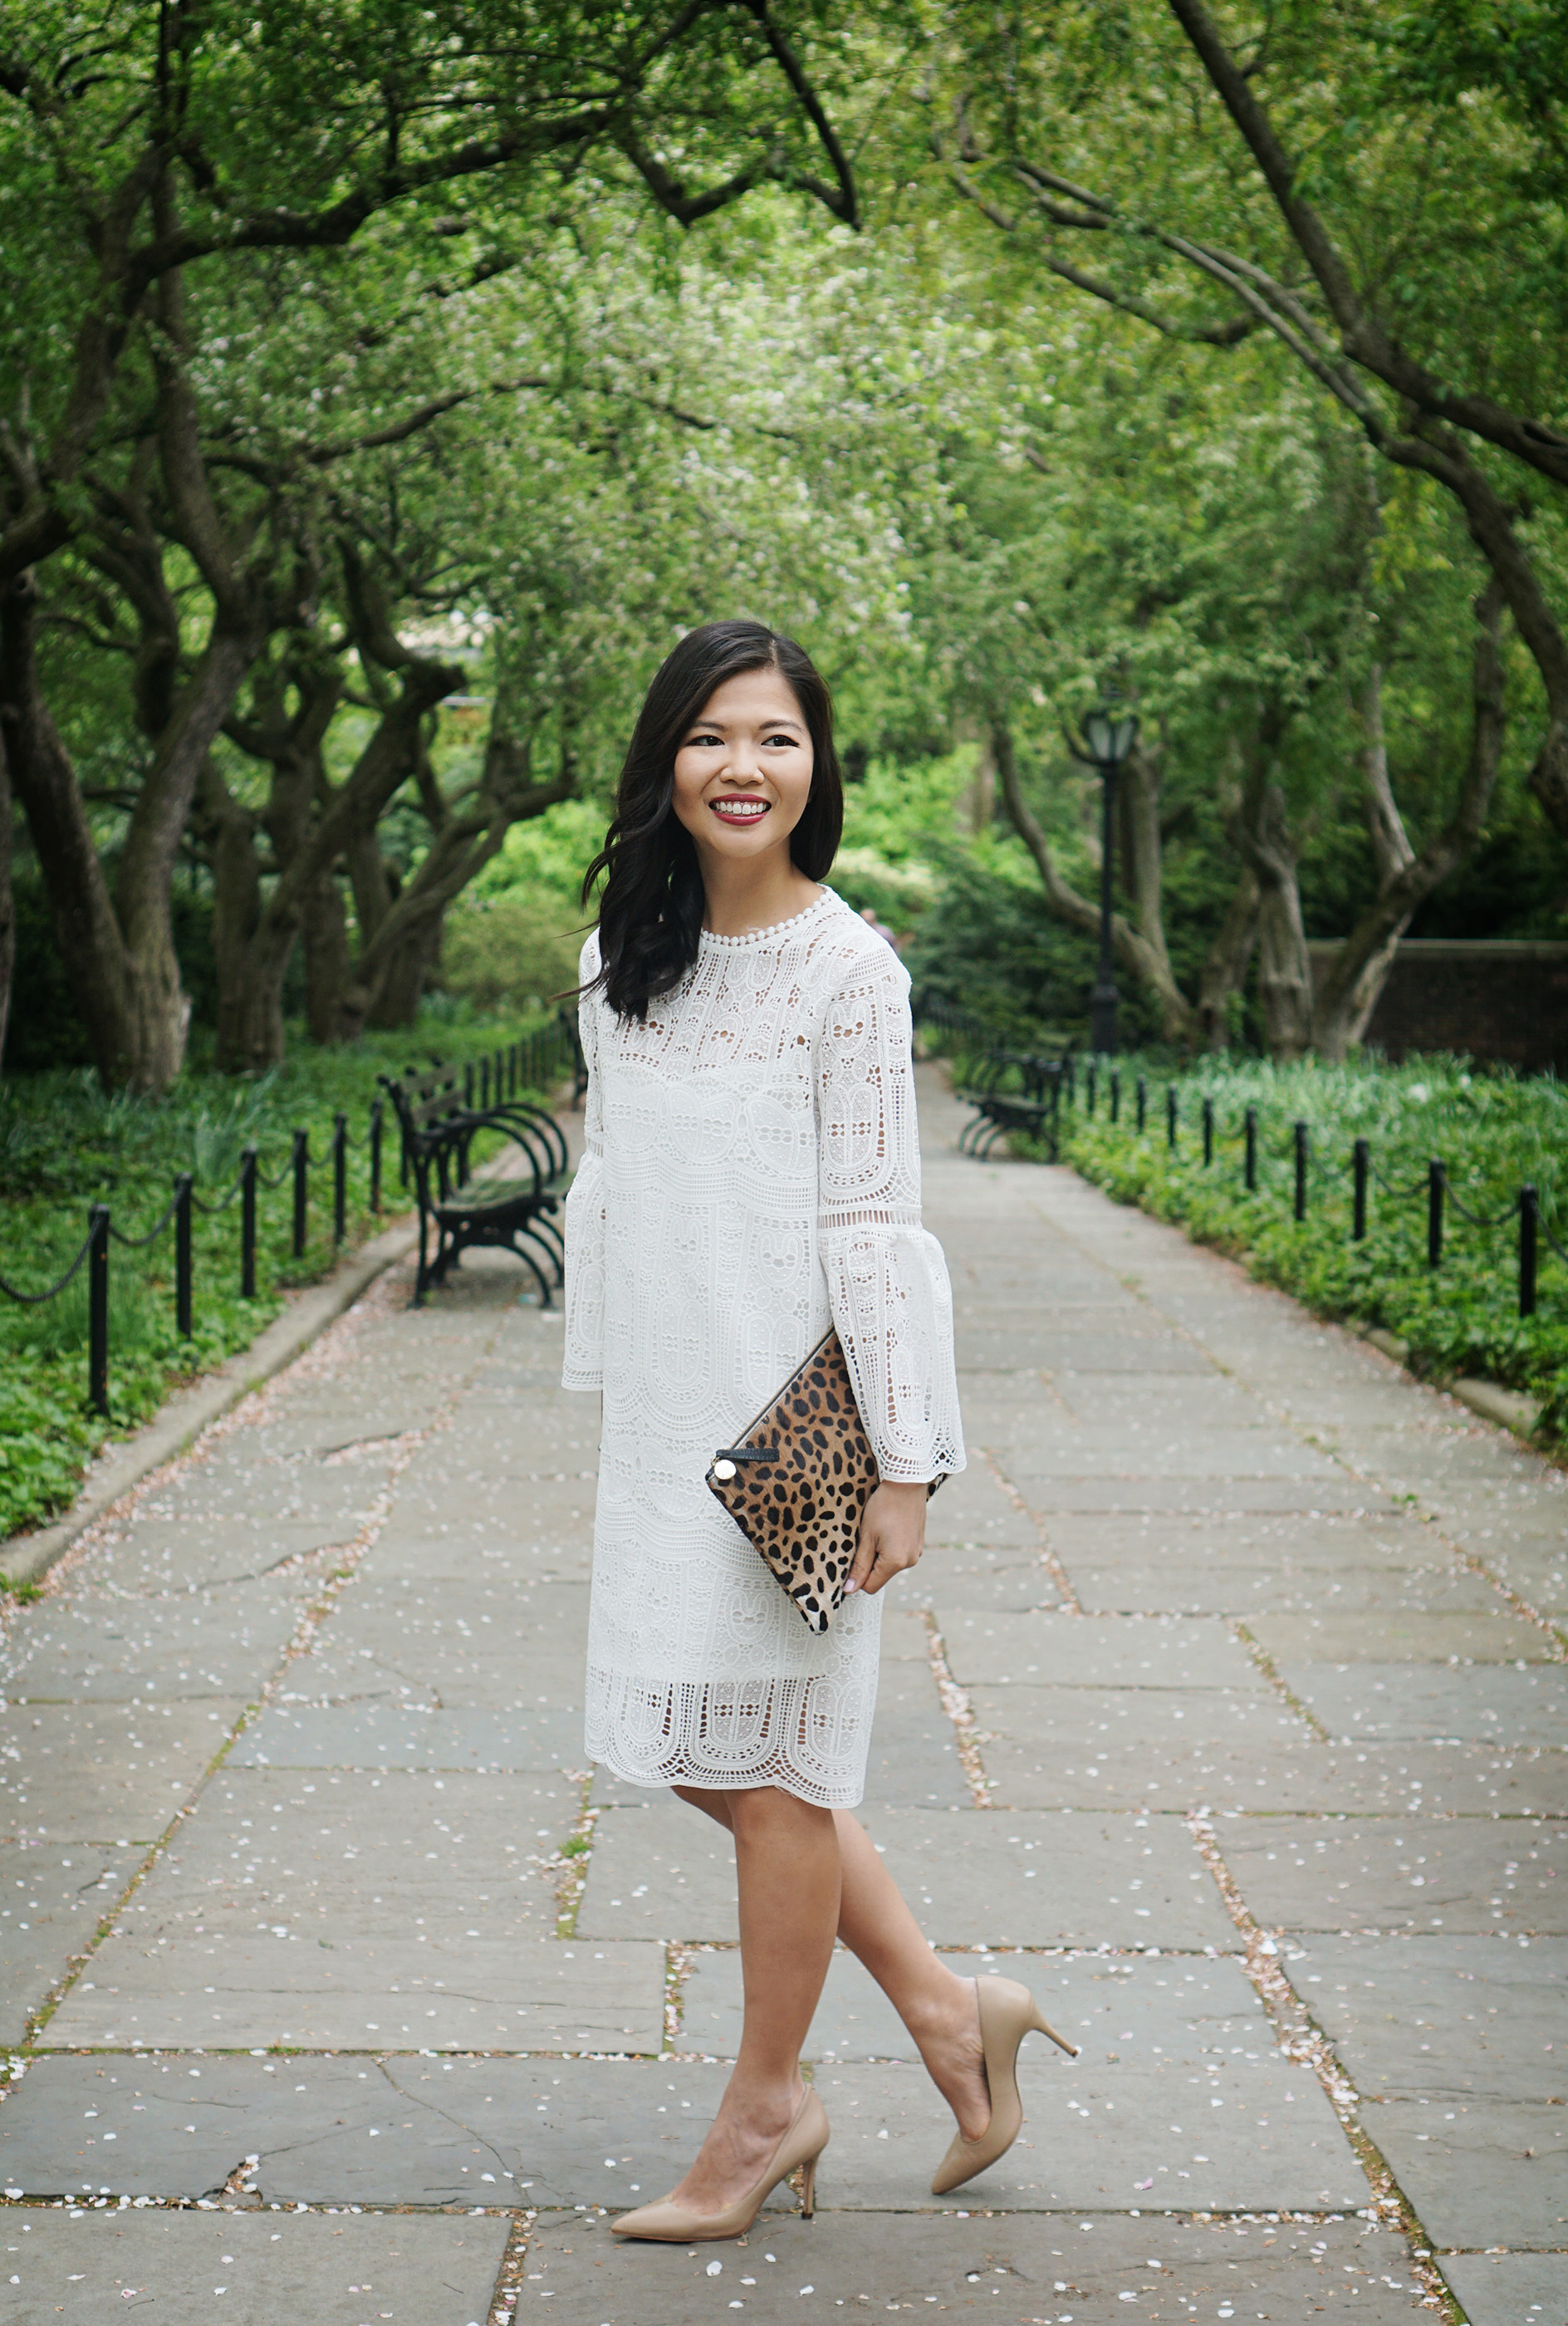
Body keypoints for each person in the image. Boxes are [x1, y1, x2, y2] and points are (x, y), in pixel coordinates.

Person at [561, 618, 1073, 2243]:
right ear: (665, 763)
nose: (742, 766)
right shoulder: (614, 961)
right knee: (705, 1754)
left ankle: (766, 2102)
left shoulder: (853, 971)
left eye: (775, 737)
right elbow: (627, 1197)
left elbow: (873, 1224)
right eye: (712, 735)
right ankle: (944, 2009)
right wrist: (616, 1396)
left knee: (774, 1774)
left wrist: (906, 1462)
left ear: (815, 767)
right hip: (667, 1431)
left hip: (795, 1446)